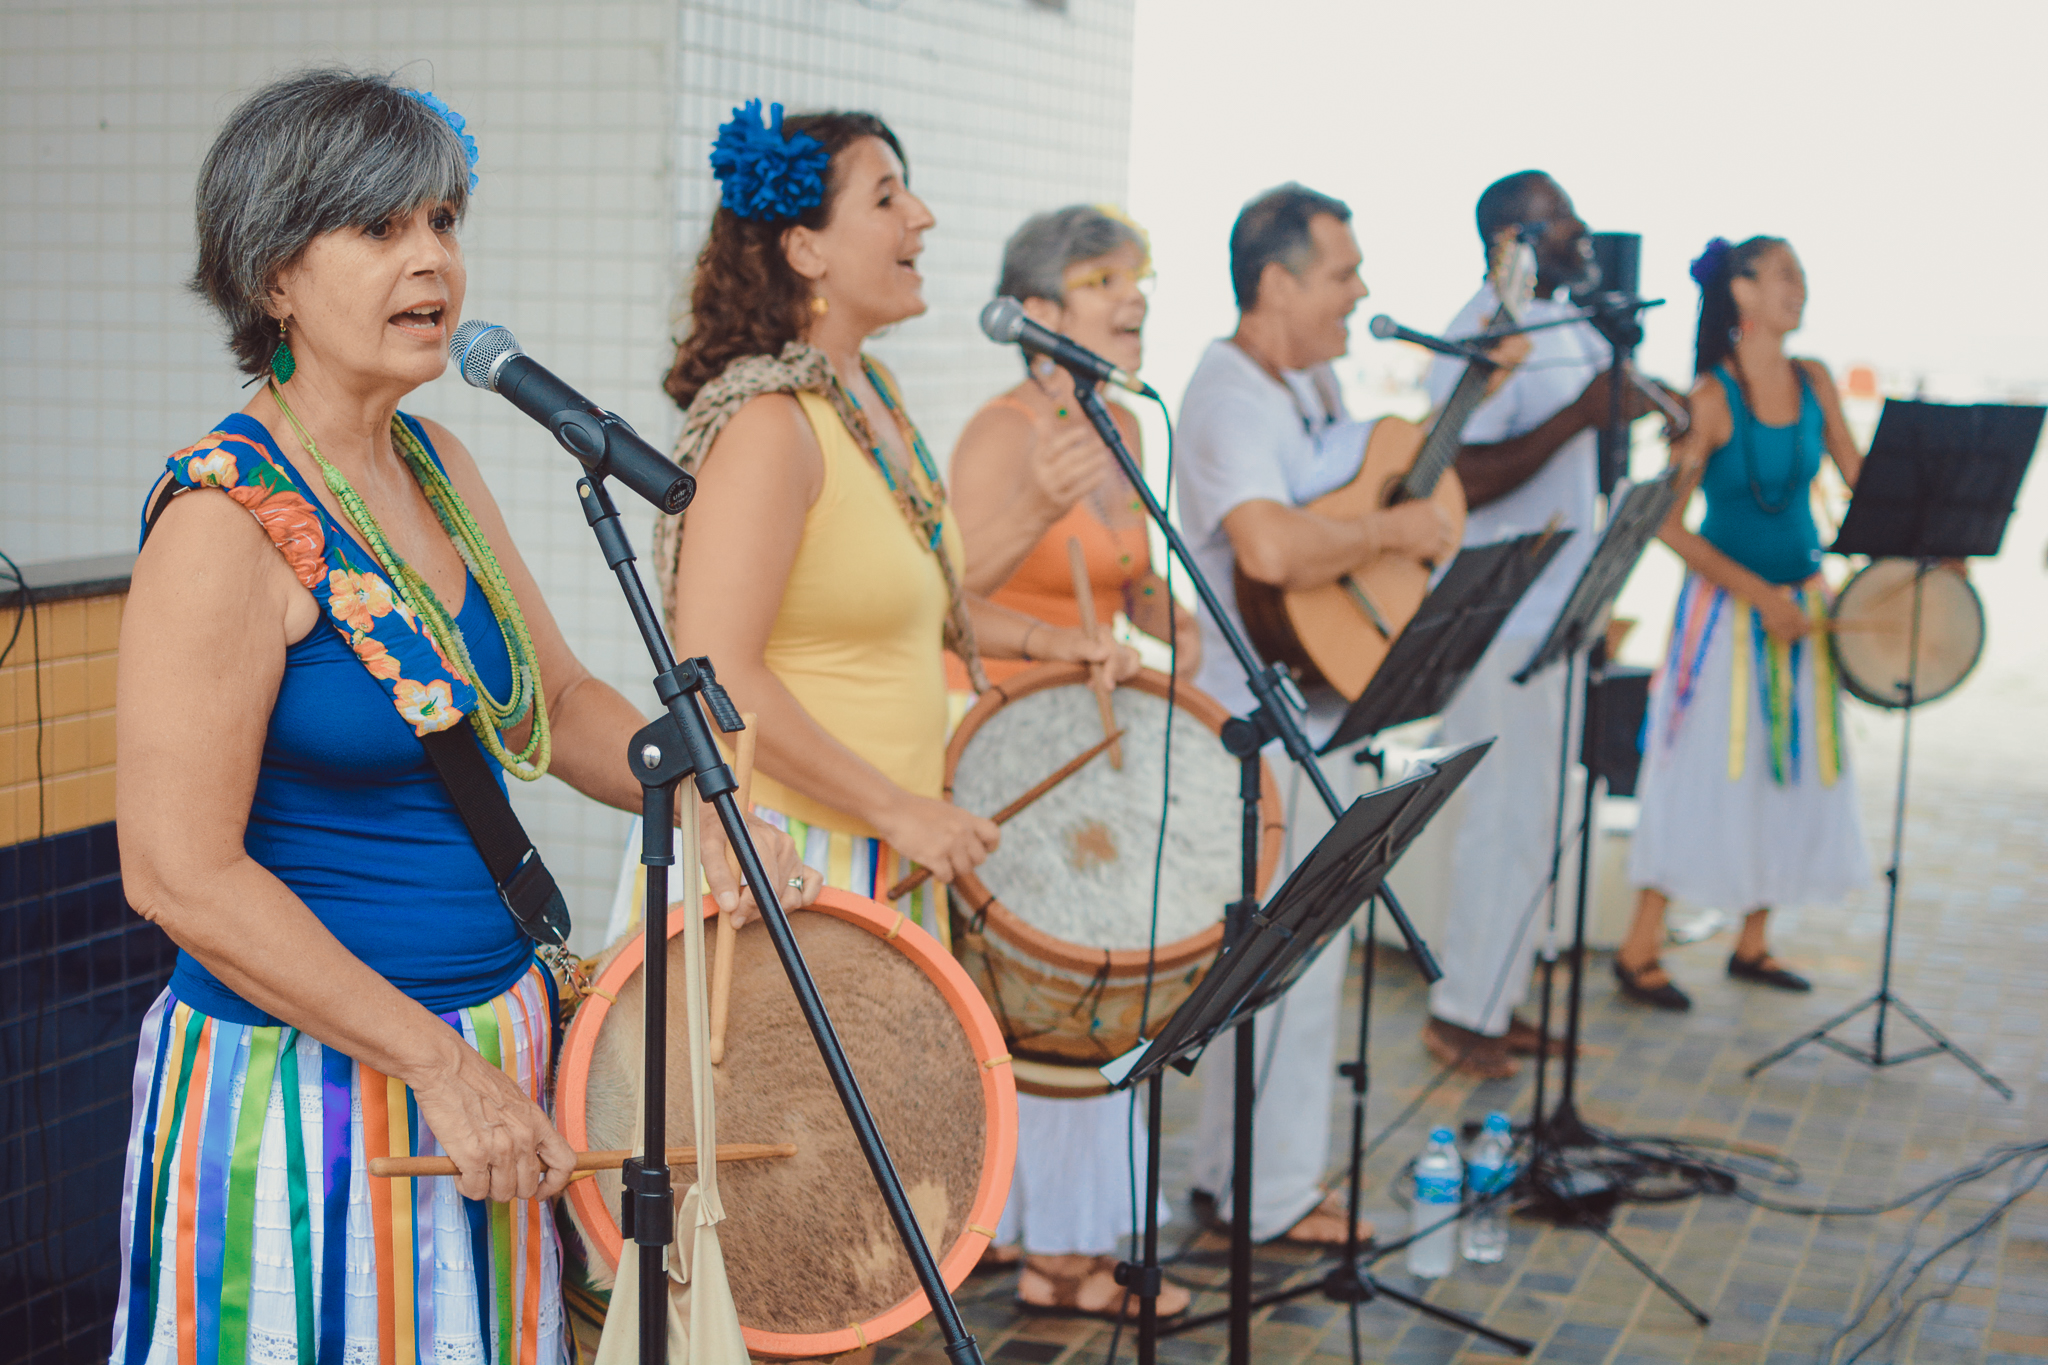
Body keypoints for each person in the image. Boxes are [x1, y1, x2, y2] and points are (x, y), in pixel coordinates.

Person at [110, 71, 812, 1365]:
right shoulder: (221, 523)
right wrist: (434, 1063)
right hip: (309, 1090)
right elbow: (175, 871)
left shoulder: (435, 463)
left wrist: (712, 796)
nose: (433, 258)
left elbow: (559, 704)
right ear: (273, 277)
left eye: (444, 220)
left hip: (490, 1052)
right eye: (382, 229)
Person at [656, 104, 1138, 941]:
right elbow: (715, 672)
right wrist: (896, 808)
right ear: (806, 249)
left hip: (885, 839)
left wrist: (1052, 643)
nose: (923, 216)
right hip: (781, 857)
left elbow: (909, 603)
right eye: (887, 197)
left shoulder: (873, 395)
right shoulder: (769, 424)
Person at [1174, 184, 1469, 1246]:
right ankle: (1267, 1196)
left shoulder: (1309, 379)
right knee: (1285, 964)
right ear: (1275, 281)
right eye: (1342, 273)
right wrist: (1395, 539)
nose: (1361, 291)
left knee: (1301, 962)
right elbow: (1271, 551)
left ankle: (1245, 1181)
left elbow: (1345, 495)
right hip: (1252, 723)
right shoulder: (1229, 394)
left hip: (1315, 699)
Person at [945, 204, 1195, 1316]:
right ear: (1038, 312)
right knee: (1060, 995)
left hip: (1090, 733)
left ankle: (1040, 1228)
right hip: (1005, 748)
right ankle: (1061, 1256)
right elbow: (945, 600)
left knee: (1090, 990)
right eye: (1102, 279)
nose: (1131, 296)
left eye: (1135, 275)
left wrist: (1180, 638)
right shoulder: (1000, 434)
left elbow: (1135, 577)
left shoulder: (1126, 428)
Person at [1420, 170, 1670, 1080]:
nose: (1581, 229)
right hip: (1493, 619)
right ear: (1511, 238)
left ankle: (1503, 997)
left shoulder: (1568, 323)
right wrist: (1578, 417)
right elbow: (1456, 474)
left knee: (1538, 818)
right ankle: (1458, 1016)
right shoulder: (1480, 329)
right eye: (1559, 217)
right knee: (1495, 817)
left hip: (1559, 614)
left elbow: (1609, 412)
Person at [1615, 236, 1871, 1009]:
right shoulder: (1711, 396)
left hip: (1807, 609)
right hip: (1728, 618)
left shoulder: (1816, 381)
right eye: (1785, 273)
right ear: (1743, 293)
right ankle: (1639, 948)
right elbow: (1666, 522)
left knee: (1789, 767)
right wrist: (1760, 595)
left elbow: (1866, 483)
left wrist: (1934, 541)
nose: (1801, 286)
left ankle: (1753, 941)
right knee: (1700, 767)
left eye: (1801, 272)